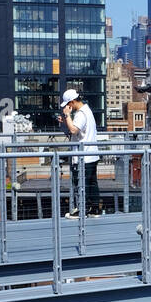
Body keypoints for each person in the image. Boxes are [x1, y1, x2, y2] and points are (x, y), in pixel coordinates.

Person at [60, 88, 102, 217]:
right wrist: (67, 121)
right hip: (91, 154)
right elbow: (77, 130)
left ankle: (82, 210)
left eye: (67, 104)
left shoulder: (81, 114)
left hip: (84, 156)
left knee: (81, 183)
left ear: (72, 102)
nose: (67, 107)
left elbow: (73, 130)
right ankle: (95, 209)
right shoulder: (87, 111)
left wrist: (67, 116)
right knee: (91, 183)